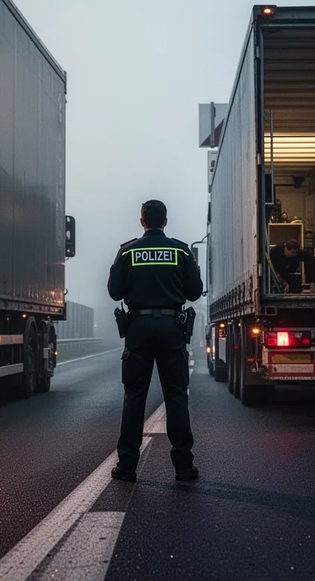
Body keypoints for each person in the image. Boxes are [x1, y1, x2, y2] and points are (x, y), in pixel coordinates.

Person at [107, 199, 203, 483]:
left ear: (142, 221)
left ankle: (127, 467)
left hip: (138, 328)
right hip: (173, 328)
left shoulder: (127, 251)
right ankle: (184, 467)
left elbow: (114, 292)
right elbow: (195, 292)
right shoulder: (181, 251)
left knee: (134, 397)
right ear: (165, 221)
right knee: (176, 396)